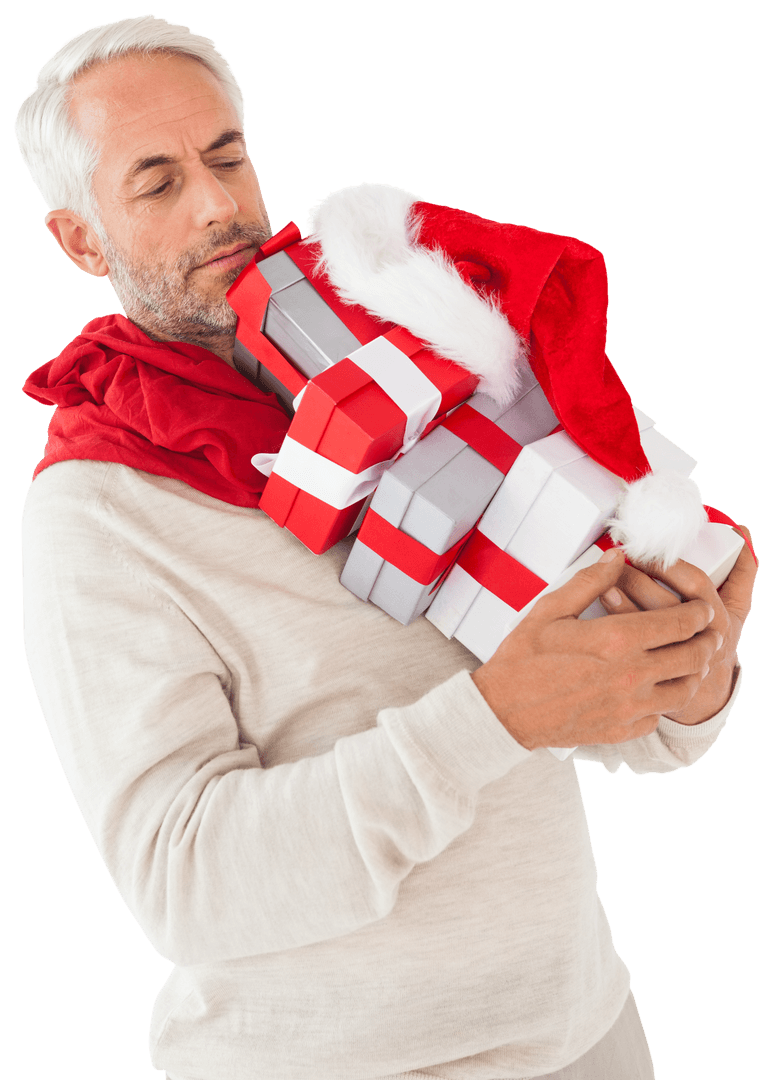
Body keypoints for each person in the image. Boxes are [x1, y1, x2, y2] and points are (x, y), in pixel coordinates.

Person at [15, 15, 758, 1080]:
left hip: (586, 1031)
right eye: (158, 182)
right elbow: (185, 883)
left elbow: (609, 717)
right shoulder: (98, 508)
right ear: (84, 240)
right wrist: (492, 720)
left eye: (227, 155)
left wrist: (688, 670)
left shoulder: (418, 352)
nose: (220, 205)